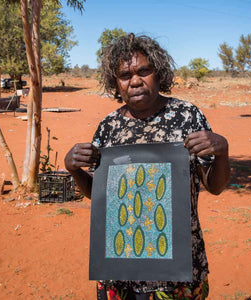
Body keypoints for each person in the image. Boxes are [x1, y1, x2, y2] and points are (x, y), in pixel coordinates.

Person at [64, 33, 230, 300]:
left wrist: (222, 152)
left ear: (158, 72)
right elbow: (99, 193)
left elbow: (215, 186)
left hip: (175, 269)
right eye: (125, 75)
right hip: (120, 269)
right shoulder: (109, 126)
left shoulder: (187, 116)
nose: (135, 81)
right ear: (115, 82)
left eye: (144, 71)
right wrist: (74, 170)